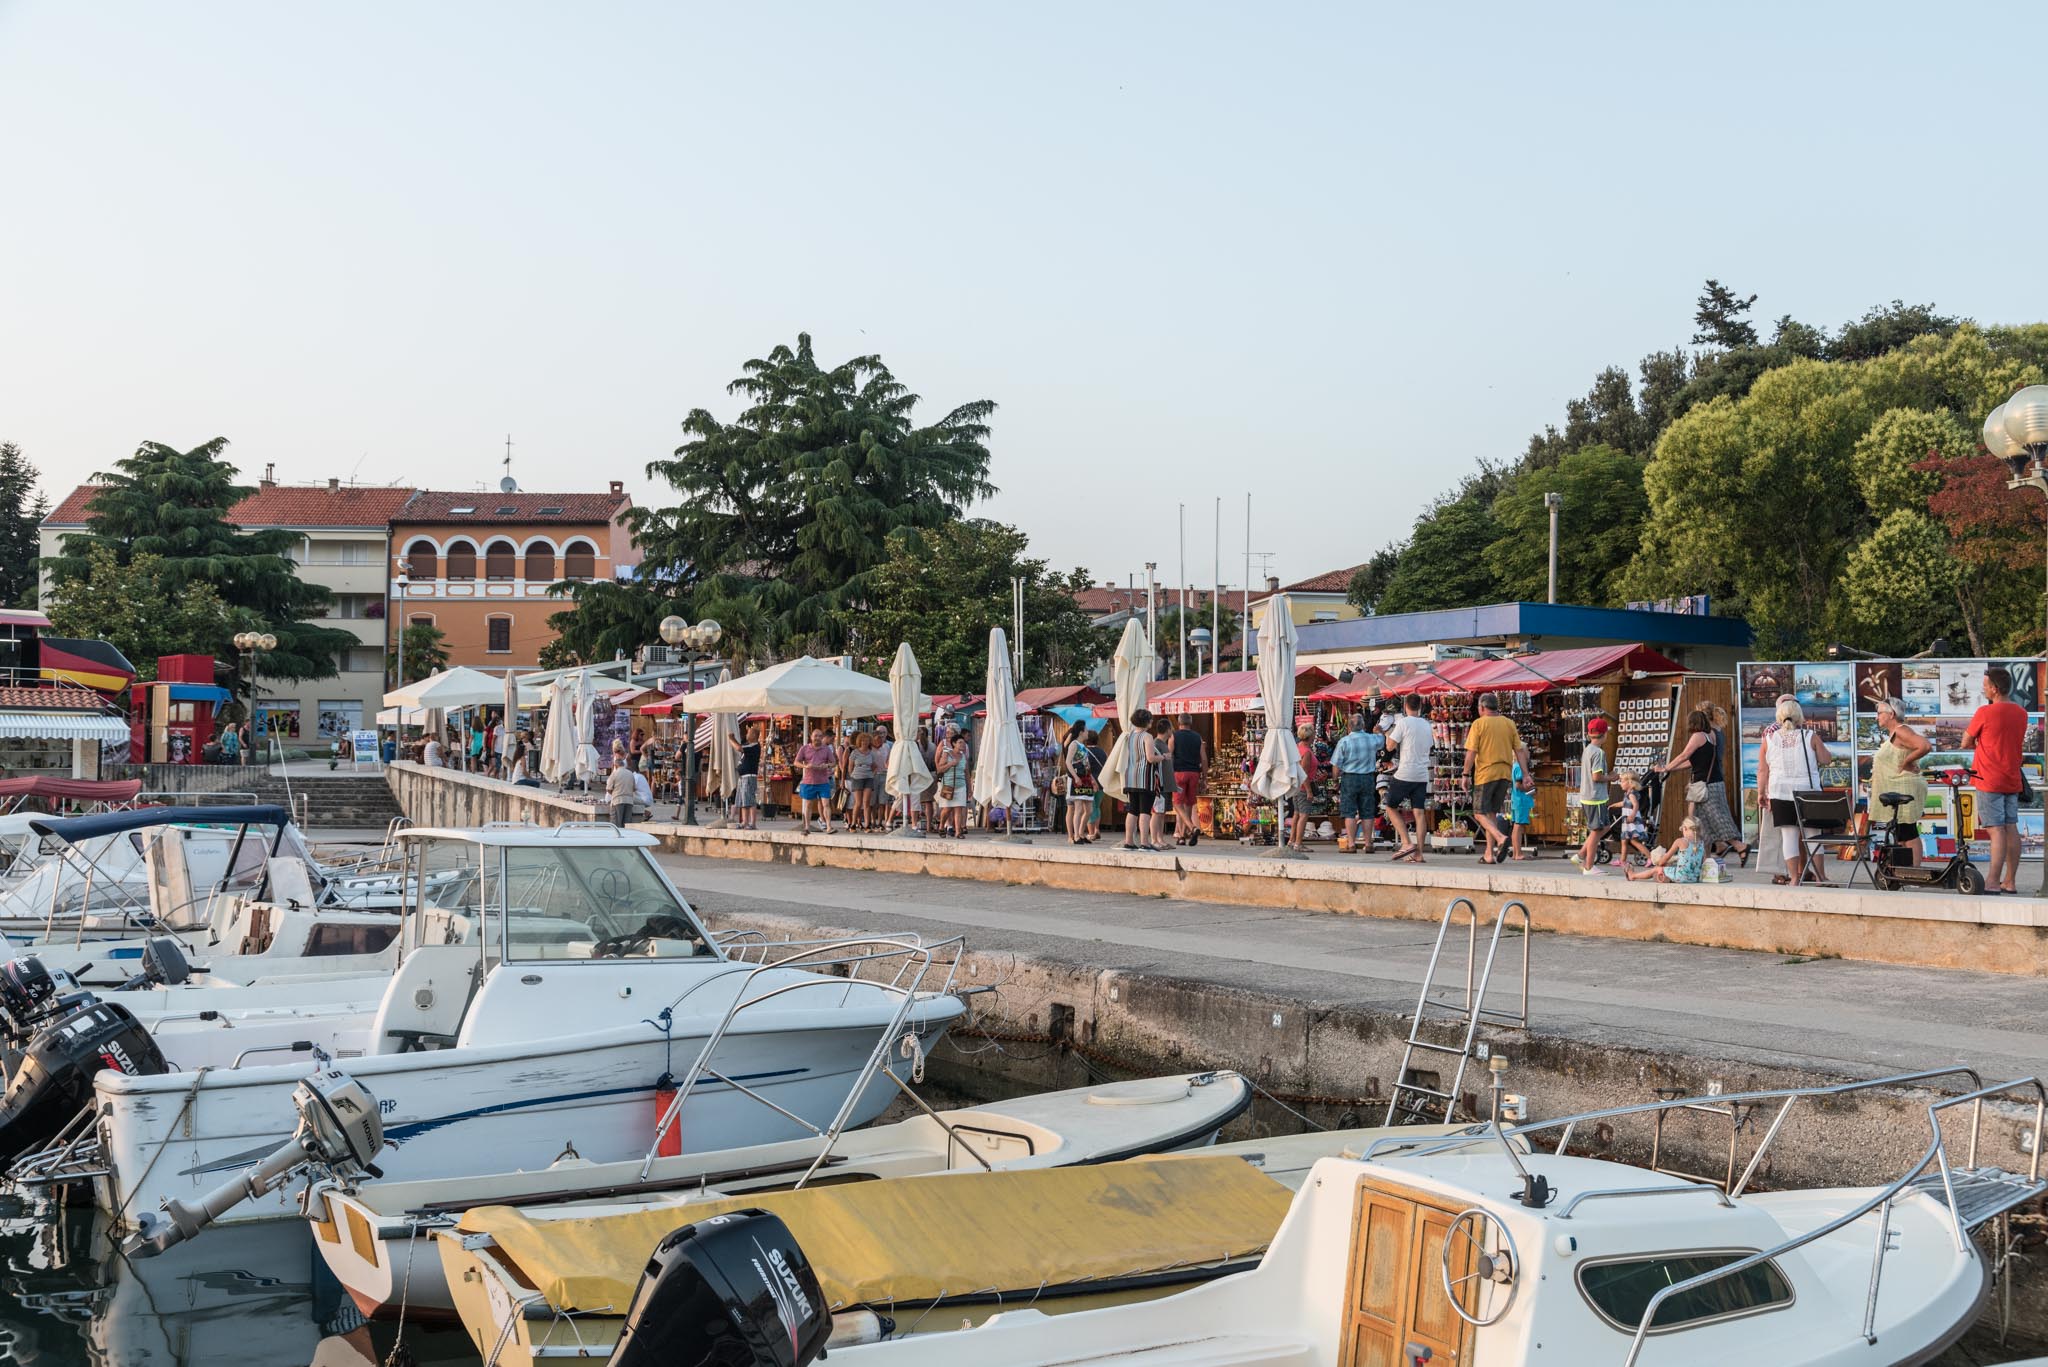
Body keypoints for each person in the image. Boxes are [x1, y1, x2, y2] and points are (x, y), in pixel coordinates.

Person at [1654, 709, 1750, 865]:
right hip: (1713, 783)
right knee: (1702, 822)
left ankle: (1740, 846)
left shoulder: (1698, 736)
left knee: (1715, 819)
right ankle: (1706, 858)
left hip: (1706, 785)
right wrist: (1673, 769)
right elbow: (1693, 761)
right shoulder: (1711, 735)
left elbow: (1684, 755)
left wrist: (1666, 767)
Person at [1964, 663, 2028, 895]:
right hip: (2011, 777)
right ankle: (2010, 881)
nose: (1983, 689)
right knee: (2011, 827)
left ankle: (1992, 882)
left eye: (1985, 686)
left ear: (1994, 688)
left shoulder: (1985, 712)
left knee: (1996, 830)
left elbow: (1965, 741)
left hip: (1988, 777)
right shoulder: (2021, 713)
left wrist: (1980, 743)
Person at [1757, 697, 1833, 886]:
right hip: (1808, 793)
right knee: (1813, 836)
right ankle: (1821, 877)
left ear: (1779, 717)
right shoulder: (1810, 736)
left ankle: (1794, 878)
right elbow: (1826, 760)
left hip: (1780, 793)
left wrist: (1761, 793)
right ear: (1800, 717)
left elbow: (1762, 770)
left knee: (1789, 837)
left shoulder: (1769, 739)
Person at [1463, 693, 1530, 866]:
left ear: (1482, 707)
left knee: (1479, 813)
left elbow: (1471, 752)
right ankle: (1488, 854)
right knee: (1491, 813)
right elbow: (1519, 751)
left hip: (1486, 774)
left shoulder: (1479, 724)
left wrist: (1465, 774)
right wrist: (1526, 774)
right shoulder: (1509, 723)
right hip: (1504, 774)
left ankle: (1500, 838)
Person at [1867, 695, 1931, 867]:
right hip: (1898, 787)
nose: (1877, 717)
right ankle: (1905, 870)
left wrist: (1907, 762)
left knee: (1908, 832)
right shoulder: (1895, 734)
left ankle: (1914, 871)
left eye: (1880, 713)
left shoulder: (1902, 731)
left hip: (1904, 786)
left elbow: (1925, 745)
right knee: (1901, 833)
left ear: (1892, 714)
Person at [1384, 693, 1434, 863]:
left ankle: (1406, 842)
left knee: (1390, 806)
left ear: (1405, 707)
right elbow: (1429, 746)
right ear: (1420, 706)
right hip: (1422, 774)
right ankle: (1419, 853)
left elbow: (1390, 746)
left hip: (1405, 772)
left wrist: (1388, 733)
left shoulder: (1403, 723)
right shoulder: (1427, 725)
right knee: (1419, 812)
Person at [1331, 712, 1384, 854]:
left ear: (1349, 727)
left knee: (1349, 811)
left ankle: (1351, 844)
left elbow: (1336, 764)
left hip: (1349, 778)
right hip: (1368, 778)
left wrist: (1335, 780)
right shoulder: (1372, 739)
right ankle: (1368, 843)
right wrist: (1378, 731)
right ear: (1364, 725)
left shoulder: (1344, 741)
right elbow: (1381, 740)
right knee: (1367, 811)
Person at [1571, 717, 1612, 873]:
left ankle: (1581, 854)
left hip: (1588, 796)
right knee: (1596, 831)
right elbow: (1597, 776)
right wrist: (1611, 777)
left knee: (1604, 827)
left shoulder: (1587, 749)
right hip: (1596, 797)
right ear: (1604, 734)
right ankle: (1588, 866)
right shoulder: (1599, 753)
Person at [1121, 709, 1159, 852]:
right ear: (1146, 721)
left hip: (1131, 777)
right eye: (1150, 719)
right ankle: (1144, 842)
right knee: (1145, 811)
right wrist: (1162, 757)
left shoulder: (1130, 735)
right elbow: (1150, 758)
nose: (1152, 721)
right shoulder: (1147, 736)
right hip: (1145, 778)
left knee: (1133, 810)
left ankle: (1129, 841)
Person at [1628, 817, 1707, 883]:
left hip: (1681, 877)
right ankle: (1666, 877)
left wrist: (1659, 863)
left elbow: (1665, 858)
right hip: (1694, 878)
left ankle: (1633, 876)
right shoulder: (1701, 843)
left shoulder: (1680, 841)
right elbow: (1703, 861)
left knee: (1656, 869)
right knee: (1669, 868)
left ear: (1685, 828)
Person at [1170, 715, 1207, 847]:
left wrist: (1168, 773)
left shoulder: (1174, 736)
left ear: (1179, 722)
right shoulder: (1198, 737)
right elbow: (1203, 758)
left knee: (1177, 803)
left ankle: (1192, 828)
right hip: (1194, 774)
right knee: (1188, 805)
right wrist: (1205, 777)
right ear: (1191, 722)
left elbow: (1169, 755)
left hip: (1179, 773)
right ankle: (1181, 836)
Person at [1286, 723, 1324, 852]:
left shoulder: (1298, 748)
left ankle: (1292, 841)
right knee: (1303, 815)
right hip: (1303, 787)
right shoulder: (1306, 752)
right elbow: (1304, 773)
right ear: (1310, 736)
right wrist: (1309, 791)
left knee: (1296, 814)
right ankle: (1298, 843)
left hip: (1296, 786)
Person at [795, 727, 838, 835]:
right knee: (808, 804)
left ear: (822, 737)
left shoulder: (826, 749)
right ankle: (807, 827)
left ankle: (829, 827)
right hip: (809, 781)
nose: (817, 738)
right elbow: (796, 762)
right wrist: (805, 766)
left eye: (819, 736)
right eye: (815, 736)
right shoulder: (805, 748)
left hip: (823, 781)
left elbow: (834, 763)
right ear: (811, 737)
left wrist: (826, 765)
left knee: (826, 803)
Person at [932, 724, 970, 837]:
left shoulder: (963, 756)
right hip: (948, 785)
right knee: (947, 809)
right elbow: (939, 769)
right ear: (954, 744)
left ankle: (958, 832)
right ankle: (941, 825)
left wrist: (969, 788)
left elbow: (966, 773)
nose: (962, 744)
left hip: (961, 785)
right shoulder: (947, 754)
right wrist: (950, 764)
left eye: (963, 742)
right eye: (960, 742)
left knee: (959, 808)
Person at [1065, 725, 1098, 844]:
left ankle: (1080, 833)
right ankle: (1075, 836)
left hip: (1086, 778)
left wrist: (1093, 780)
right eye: (1086, 730)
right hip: (1077, 778)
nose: (1087, 732)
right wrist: (1075, 777)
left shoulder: (1083, 747)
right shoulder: (1073, 744)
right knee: (1077, 808)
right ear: (1080, 732)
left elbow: (1086, 764)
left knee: (1089, 809)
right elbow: (1068, 762)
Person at [1613, 771, 1653, 865]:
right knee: (1624, 841)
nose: (1620, 784)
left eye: (1622, 781)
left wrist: (1632, 815)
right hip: (1627, 820)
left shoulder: (1631, 794)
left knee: (1634, 841)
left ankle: (1650, 858)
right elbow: (1624, 803)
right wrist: (1613, 805)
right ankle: (1622, 860)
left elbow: (1636, 805)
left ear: (1630, 782)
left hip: (1631, 819)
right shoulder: (1628, 793)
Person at [847, 731, 880, 832]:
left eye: (866, 741)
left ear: (869, 742)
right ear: (859, 742)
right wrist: (852, 775)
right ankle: (853, 824)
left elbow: (875, 766)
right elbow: (850, 767)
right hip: (857, 778)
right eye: (862, 741)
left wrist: (872, 774)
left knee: (866, 802)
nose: (864, 743)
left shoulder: (871, 753)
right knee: (858, 802)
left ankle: (867, 825)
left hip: (868, 778)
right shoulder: (854, 753)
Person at [1508, 758, 1537, 859]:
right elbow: (1518, 785)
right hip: (1521, 800)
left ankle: (1516, 852)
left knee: (1516, 826)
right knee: (1519, 826)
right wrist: (1530, 788)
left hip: (1516, 799)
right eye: (1527, 752)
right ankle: (1518, 853)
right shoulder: (1520, 767)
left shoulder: (1515, 766)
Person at [605, 756, 636, 827]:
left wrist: (614, 794)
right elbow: (634, 788)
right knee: (627, 824)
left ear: (615, 766)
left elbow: (608, 789)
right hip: (629, 801)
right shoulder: (630, 773)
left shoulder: (614, 774)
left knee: (617, 824)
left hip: (617, 800)